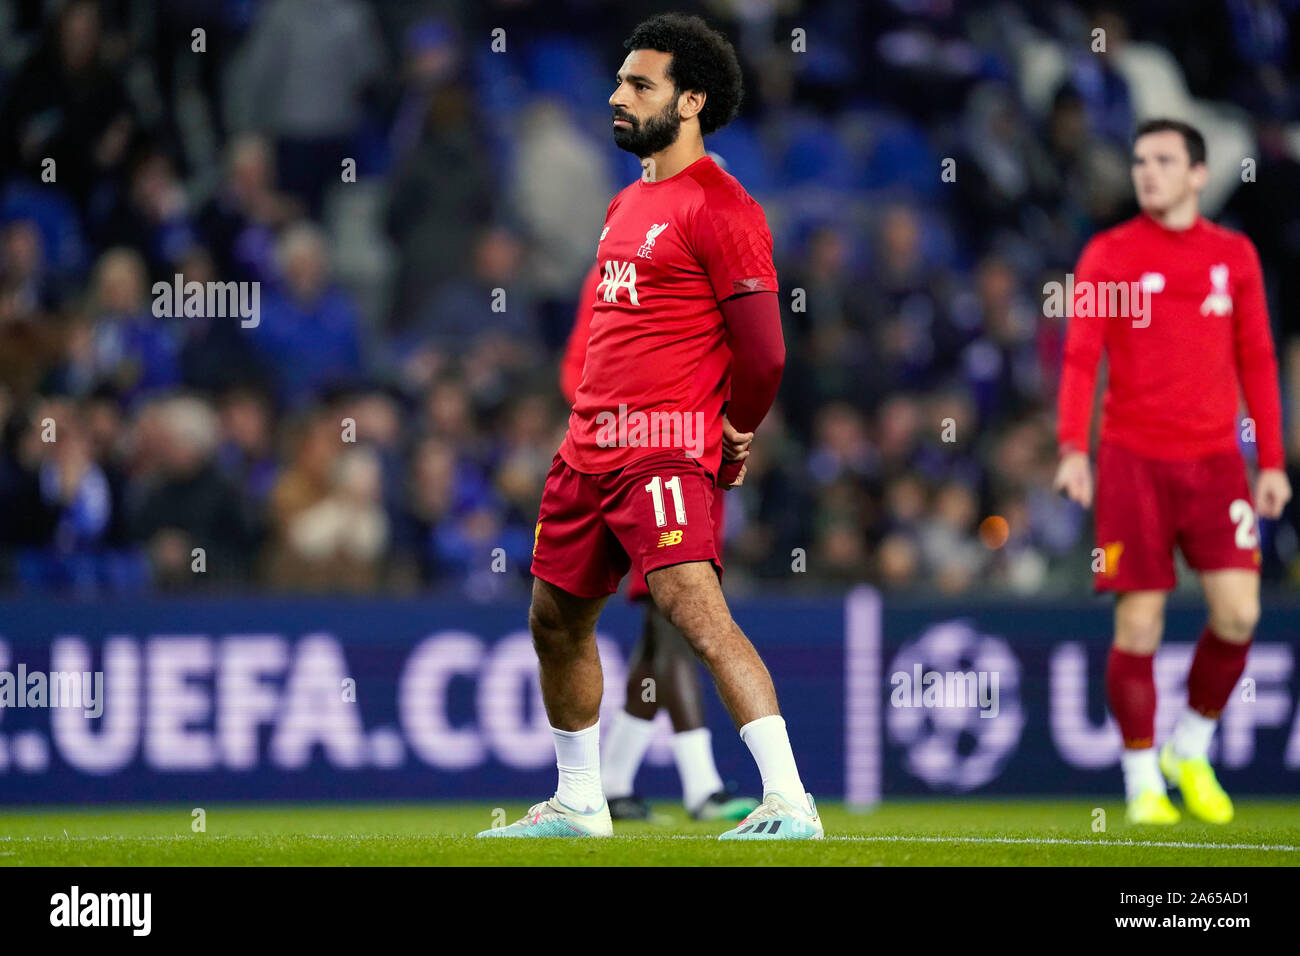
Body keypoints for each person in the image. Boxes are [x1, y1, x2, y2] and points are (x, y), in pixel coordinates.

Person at [479, 14, 820, 840]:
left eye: (640, 84)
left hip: (663, 450)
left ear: (691, 100)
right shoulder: (626, 201)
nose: (617, 95)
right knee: (554, 619)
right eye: (621, 80)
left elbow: (765, 352)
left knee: (692, 610)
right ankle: (581, 801)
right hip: (587, 449)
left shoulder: (724, 207)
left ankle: (788, 799)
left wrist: (734, 430)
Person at [1054, 119, 1291, 825]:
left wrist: (1272, 462)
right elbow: (1080, 356)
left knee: (1240, 612)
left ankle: (1190, 743)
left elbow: (1258, 360)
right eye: (1138, 160)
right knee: (1141, 624)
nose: (1146, 172)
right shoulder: (1108, 252)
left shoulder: (1234, 255)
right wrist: (1073, 447)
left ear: (1197, 174)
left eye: (1163, 160)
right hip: (1131, 460)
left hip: (1218, 463)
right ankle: (1140, 786)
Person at [561, 262, 758, 824]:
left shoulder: (723, 284)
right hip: (649, 460)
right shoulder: (617, 269)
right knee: (673, 617)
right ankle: (701, 785)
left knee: (658, 629)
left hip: (698, 459)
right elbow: (578, 369)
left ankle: (616, 778)